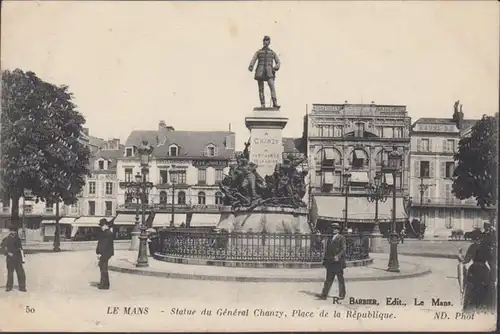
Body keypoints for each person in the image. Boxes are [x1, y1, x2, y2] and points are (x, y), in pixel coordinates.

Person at [459, 229, 491, 312]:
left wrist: (460, 256)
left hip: (474, 270)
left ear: (474, 238)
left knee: (471, 289)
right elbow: (491, 261)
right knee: (484, 289)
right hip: (484, 270)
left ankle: (469, 309)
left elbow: (466, 260)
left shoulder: (473, 247)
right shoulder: (486, 247)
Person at [248, 35, 281, 109]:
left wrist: (276, 67)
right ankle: (262, 104)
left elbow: (278, 62)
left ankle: (275, 103)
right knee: (261, 89)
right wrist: (251, 66)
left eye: (267, 40)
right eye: (265, 40)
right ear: (263, 42)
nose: (266, 42)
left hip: (269, 72)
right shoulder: (259, 52)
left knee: (272, 87)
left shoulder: (272, 53)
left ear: (269, 42)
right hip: (260, 71)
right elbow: (253, 59)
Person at [317, 222, 346, 301]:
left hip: (338, 262)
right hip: (330, 262)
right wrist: (325, 260)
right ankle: (324, 295)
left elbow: (343, 249)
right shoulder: (330, 238)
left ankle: (342, 294)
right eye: (333, 228)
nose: (334, 230)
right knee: (328, 279)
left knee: (340, 279)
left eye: (336, 229)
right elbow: (327, 250)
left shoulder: (341, 238)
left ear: (338, 230)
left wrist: (338, 256)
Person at [1, 226, 27, 292]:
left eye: (15, 231)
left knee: (21, 273)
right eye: (13, 231)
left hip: (18, 259)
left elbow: (21, 249)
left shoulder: (18, 239)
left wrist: (23, 257)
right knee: (10, 273)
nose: (14, 232)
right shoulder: (6, 239)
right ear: (10, 231)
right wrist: (8, 253)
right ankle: (9, 287)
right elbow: (2, 249)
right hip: (10, 259)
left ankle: (22, 287)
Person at [96, 218, 114, 290]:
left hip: (105, 253)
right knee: (103, 267)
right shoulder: (108, 232)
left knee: (103, 268)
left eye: (102, 226)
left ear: (106, 225)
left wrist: (100, 253)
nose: (101, 227)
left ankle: (104, 285)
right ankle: (104, 283)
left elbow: (103, 244)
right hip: (107, 253)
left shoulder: (106, 233)